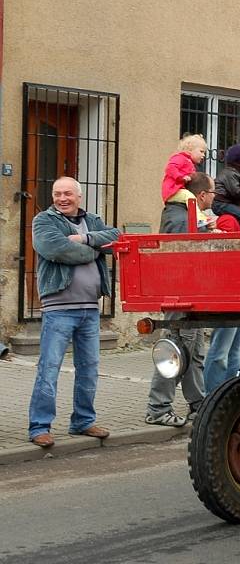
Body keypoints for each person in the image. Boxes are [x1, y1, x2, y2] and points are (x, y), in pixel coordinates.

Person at [28, 176, 120, 448]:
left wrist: (85, 238)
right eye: (57, 194)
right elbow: (57, 249)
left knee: (89, 369)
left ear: (79, 197)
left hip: (90, 309)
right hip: (59, 308)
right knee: (49, 368)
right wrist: (93, 251)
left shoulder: (92, 220)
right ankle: (39, 426)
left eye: (68, 193)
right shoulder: (44, 221)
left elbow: (116, 238)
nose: (62, 198)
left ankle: (82, 421)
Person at [145, 173, 215, 426]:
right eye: (213, 193)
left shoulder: (185, 214)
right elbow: (179, 253)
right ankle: (158, 407)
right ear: (202, 195)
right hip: (180, 295)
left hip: (189, 294)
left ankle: (197, 404)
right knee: (176, 351)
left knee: (194, 351)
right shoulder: (180, 217)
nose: (214, 198)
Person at [204, 192, 240, 392]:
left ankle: (230, 393)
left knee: (236, 353)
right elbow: (229, 255)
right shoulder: (230, 220)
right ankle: (213, 396)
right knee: (221, 350)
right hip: (228, 293)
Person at [161, 134, 212, 226]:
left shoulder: (188, 162)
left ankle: (200, 217)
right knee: (190, 197)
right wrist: (181, 177)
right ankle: (199, 220)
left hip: (176, 190)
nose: (203, 155)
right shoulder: (180, 158)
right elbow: (170, 168)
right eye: (201, 151)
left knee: (190, 197)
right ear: (190, 150)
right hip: (172, 190)